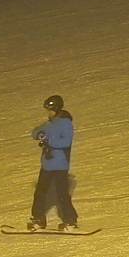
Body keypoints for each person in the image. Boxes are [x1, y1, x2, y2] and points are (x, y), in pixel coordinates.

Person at [29, 94, 79, 231]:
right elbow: (35, 132)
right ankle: (38, 219)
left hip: (60, 165)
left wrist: (48, 140)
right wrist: (39, 134)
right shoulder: (50, 123)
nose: (48, 113)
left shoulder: (65, 123)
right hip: (47, 164)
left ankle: (70, 221)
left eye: (50, 110)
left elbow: (66, 142)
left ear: (56, 109)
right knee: (40, 193)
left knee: (62, 194)